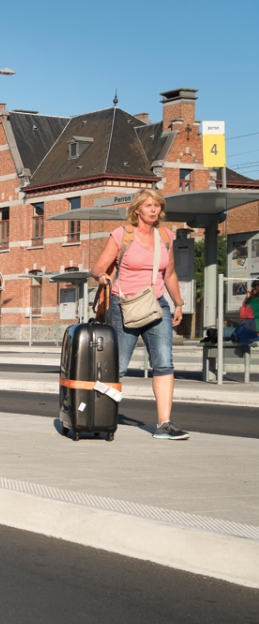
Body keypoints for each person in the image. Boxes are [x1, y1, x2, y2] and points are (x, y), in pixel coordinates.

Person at [91, 188, 188, 440]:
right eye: (148, 205)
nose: (154, 209)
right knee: (117, 366)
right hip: (124, 306)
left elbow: (169, 274)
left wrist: (178, 303)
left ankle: (164, 424)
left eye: (157, 205)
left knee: (164, 363)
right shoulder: (122, 235)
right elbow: (98, 268)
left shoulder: (166, 237)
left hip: (156, 306)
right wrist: (102, 276)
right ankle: (97, 416)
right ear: (137, 210)